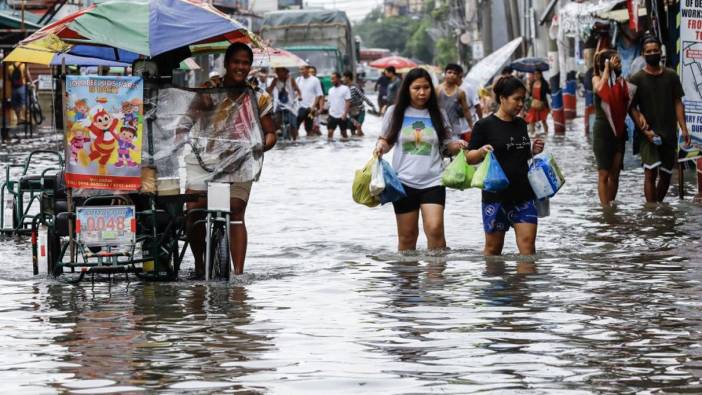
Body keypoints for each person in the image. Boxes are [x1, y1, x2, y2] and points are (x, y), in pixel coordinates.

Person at [180, 42, 278, 277]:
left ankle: (239, 276)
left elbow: (271, 133)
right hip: (206, 161)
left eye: (245, 63)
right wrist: (179, 136)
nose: (240, 67)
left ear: (250, 66)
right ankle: (200, 262)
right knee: (193, 211)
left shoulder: (257, 97)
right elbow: (186, 121)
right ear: (226, 64)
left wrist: (259, 147)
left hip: (241, 162)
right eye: (236, 62)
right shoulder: (208, 90)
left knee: (236, 210)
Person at [373, 68, 468, 251]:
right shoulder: (395, 112)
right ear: (407, 89)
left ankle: (436, 277)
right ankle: (408, 278)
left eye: (426, 87)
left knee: (435, 229)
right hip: (403, 183)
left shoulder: (438, 113)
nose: (422, 92)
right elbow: (386, 140)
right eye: (417, 88)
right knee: (407, 236)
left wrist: (457, 145)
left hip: (433, 181)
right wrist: (380, 147)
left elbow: (446, 145)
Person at [465, 76, 545, 256]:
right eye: (516, 99)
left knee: (528, 250)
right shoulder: (484, 125)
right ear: (502, 98)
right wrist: (481, 152)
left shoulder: (521, 124)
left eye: (522, 100)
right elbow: (469, 158)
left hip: (524, 195)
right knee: (493, 250)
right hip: (495, 197)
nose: (520, 104)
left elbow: (519, 155)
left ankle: (523, 284)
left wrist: (532, 150)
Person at [629, 36, 691, 203]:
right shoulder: (636, 79)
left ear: (661, 51)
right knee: (650, 173)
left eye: (655, 50)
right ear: (643, 54)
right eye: (648, 51)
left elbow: (678, 102)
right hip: (647, 133)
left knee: (665, 175)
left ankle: (657, 209)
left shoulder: (671, 75)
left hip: (669, 132)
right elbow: (629, 106)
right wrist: (643, 128)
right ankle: (651, 212)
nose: (652, 53)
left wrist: (683, 128)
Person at [592, 49, 634, 207]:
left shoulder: (621, 82)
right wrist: (607, 70)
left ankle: (610, 205)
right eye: (616, 61)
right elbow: (600, 89)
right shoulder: (596, 78)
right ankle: (606, 211)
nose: (619, 64)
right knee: (603, 173)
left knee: (615, 175)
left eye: (619, 61)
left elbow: (628, 105)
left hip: (619, 132)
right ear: (607, 63)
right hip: (602, 132)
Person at [437, 63, 473, 141]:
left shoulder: (460, 92)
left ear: (458, 76)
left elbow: (466, 110)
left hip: (455, 128)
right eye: (449, 72)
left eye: (455, 73)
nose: (452, 75)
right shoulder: (437, 89)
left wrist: (471, 126)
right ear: (445, 74)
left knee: (455, 151)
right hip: (439, 126)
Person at [267, 67, 302, 140]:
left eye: (279, 72)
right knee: (276, 120)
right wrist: (268, 96)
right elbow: (270, 90)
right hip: (280, 104)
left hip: (291, 105)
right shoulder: (275, 80)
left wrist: (299, 96)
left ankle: (295, 139)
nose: (278, 74)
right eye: (277, 72)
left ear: (285, 72)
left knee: (293, 125)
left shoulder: (291, 79)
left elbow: (298, 90)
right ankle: (278, 133)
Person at [343, 71, 376, 137]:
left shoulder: (355, 87)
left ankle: (361, 142)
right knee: (352, 131)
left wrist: (372, 105)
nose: (342, 79)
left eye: (344, 77)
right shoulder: (343, 89)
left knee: (358, 126)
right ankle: (354, 144)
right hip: (350, 113)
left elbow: (363, 97)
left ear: (348, 78)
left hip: (360, 110)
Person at [295, 65, 324, 136]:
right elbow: (295, 92)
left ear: (308, 70)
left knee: (309, 128)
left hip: (310, 109)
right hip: (300, 108)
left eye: (302, 69)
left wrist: (314, 106)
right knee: (295, 126)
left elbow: (319, 94)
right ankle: (296, 143)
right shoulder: (298, 79)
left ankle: (311, 144)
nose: (301, 71)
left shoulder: (315, 80)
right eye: (300, 69)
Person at [326, 72, 351, 141]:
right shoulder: (330, 90)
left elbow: (348, 101)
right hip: (332, 114)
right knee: (330, 132)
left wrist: (345, 114)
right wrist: (328, 114)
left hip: (342, 115)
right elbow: (330, 103)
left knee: (343, 133)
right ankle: (329, 148)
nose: (332, 80)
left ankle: (347, 147)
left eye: (333, 79)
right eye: (331, 79)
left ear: (339, 79)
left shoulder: (345, 89)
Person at [525, 70, 550, 134]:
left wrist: (550, 85)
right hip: (534, 104)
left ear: (540, 75)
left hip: (542, 105)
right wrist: (527, 89)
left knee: (543, 120)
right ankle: (532, 135)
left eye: (537, 74)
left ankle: (546, 134)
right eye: (534, 74)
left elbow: (549, 92)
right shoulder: (532, 82)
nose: (535, 75)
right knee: (531, 120)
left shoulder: (544, 83)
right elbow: (530, 94)